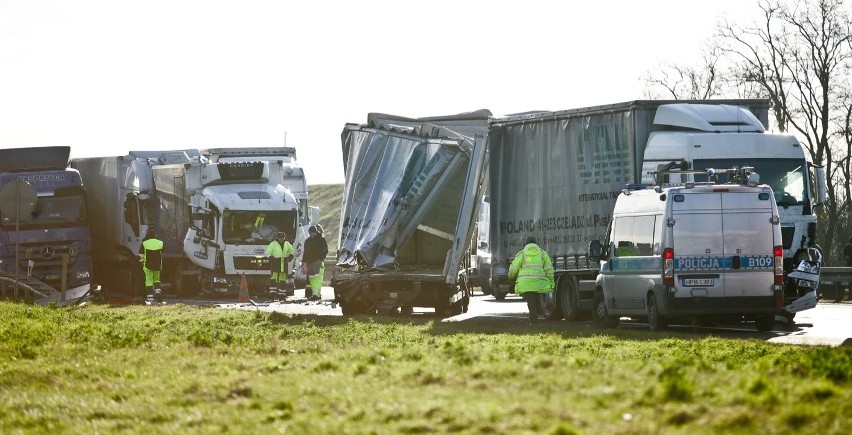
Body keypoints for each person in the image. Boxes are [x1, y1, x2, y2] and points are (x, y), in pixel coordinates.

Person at [508, 235, 555, 323]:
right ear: (536, 243)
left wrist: (511, 277)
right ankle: (535, 318)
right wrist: (551, 282)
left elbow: (513, 268)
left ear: (526, 244)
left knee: (531, 302)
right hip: (539, 283)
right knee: (537, 300)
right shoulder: (543, 254)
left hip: (526, 284)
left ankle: (533, 320)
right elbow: (549, 269)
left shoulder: (522, 254)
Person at [302, 224, 329, 301]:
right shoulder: (307, 241)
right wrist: (304, 262)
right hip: (309, 262)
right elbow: (305, 252)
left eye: (312, 233)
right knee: (311, 278)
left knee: (317, 277)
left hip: (318, 261)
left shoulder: (321, 239)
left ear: (315, 232)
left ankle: (316, 294)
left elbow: (325, 250)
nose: (310, 234)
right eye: (309, 233)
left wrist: (321, 258)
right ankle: (315, 294)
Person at [138, 228, 164, 302]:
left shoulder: (144, 243)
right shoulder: (160, 243)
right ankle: (158, 292)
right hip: (158, 265)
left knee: (149, 281)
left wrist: (141, 261)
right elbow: (163, 250)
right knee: (157, 280)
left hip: (147, 266)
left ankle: (150, 299)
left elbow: (140, 255)